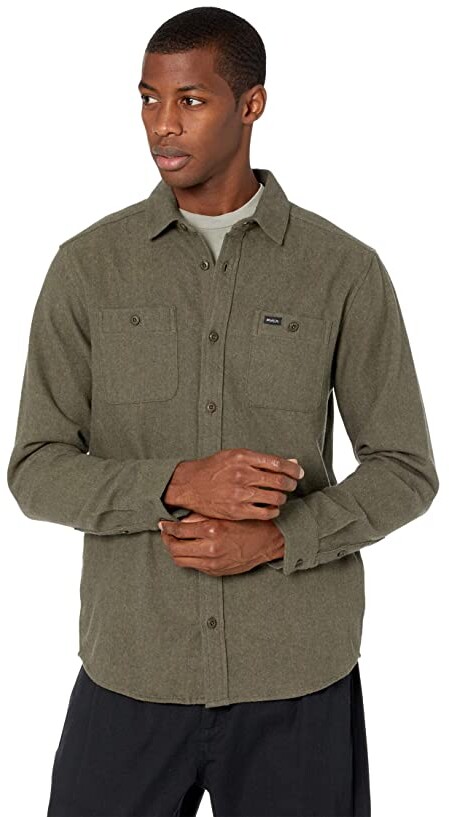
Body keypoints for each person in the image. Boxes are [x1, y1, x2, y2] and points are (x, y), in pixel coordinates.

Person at [7, 6, 439, 817]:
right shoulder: (88, 268)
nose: (161, 125)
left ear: (251, 104)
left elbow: (405, 469)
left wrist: (281, 537)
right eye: (148, 99)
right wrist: (177, 481)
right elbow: (35, 470)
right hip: (132, 666)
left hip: (295, 674)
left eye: (191, 100)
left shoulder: (342, 270)